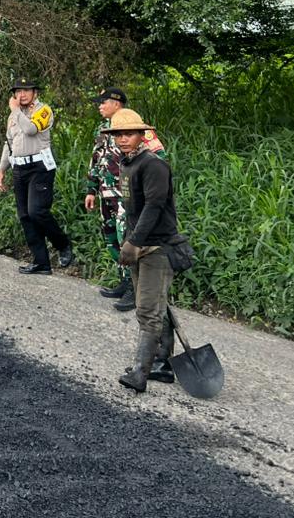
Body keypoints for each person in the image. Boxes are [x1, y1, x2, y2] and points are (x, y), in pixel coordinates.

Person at [105, 109, 181, 392]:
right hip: (139, 243)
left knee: (149, 310)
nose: (123, 139)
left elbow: (154, 206)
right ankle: (161, 363)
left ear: (142, 135)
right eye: (118, 135)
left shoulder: (153, 165)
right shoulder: (128, 164)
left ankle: (140, 372)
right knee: (151, 305)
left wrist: (134, 243)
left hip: (157, 245)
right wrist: (131, 240)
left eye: (129, 134)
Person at [86, 87, 167, 313]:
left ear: (117, 103)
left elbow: (158, 157)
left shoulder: (136, 128)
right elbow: (96, 159)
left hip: (126, 194)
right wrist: (91, 189)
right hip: (106, 192)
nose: (99, 106)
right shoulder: (103, 129)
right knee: (111, 237)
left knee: (127, 239)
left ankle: (135, 288)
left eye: (103, 102)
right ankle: (123, 280)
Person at [0, 77, 73, 275]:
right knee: (25, 216)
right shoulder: (14, 116)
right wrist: (1, 169)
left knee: (37, 211)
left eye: (26, 90)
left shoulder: (43, 110)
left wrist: (15, 110)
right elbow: (9, 143)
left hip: (40, 167)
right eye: (18, 91)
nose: (21, 95)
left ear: (35, 93)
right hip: (19, 168)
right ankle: (41, 263)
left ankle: (63, 244)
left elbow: (30, 130)